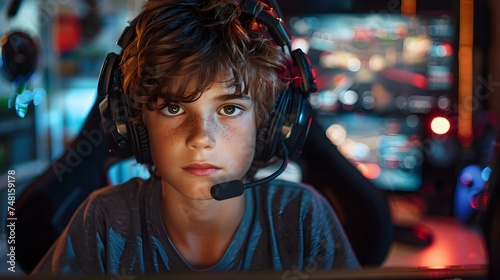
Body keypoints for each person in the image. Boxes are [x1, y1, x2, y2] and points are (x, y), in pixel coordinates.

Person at [31, 0, 359, 276]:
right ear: (135, 124)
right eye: (173, 107)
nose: (201, 138)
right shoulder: (102, 220)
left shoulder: (302, 217)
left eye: (230, 109)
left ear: (267, 124)